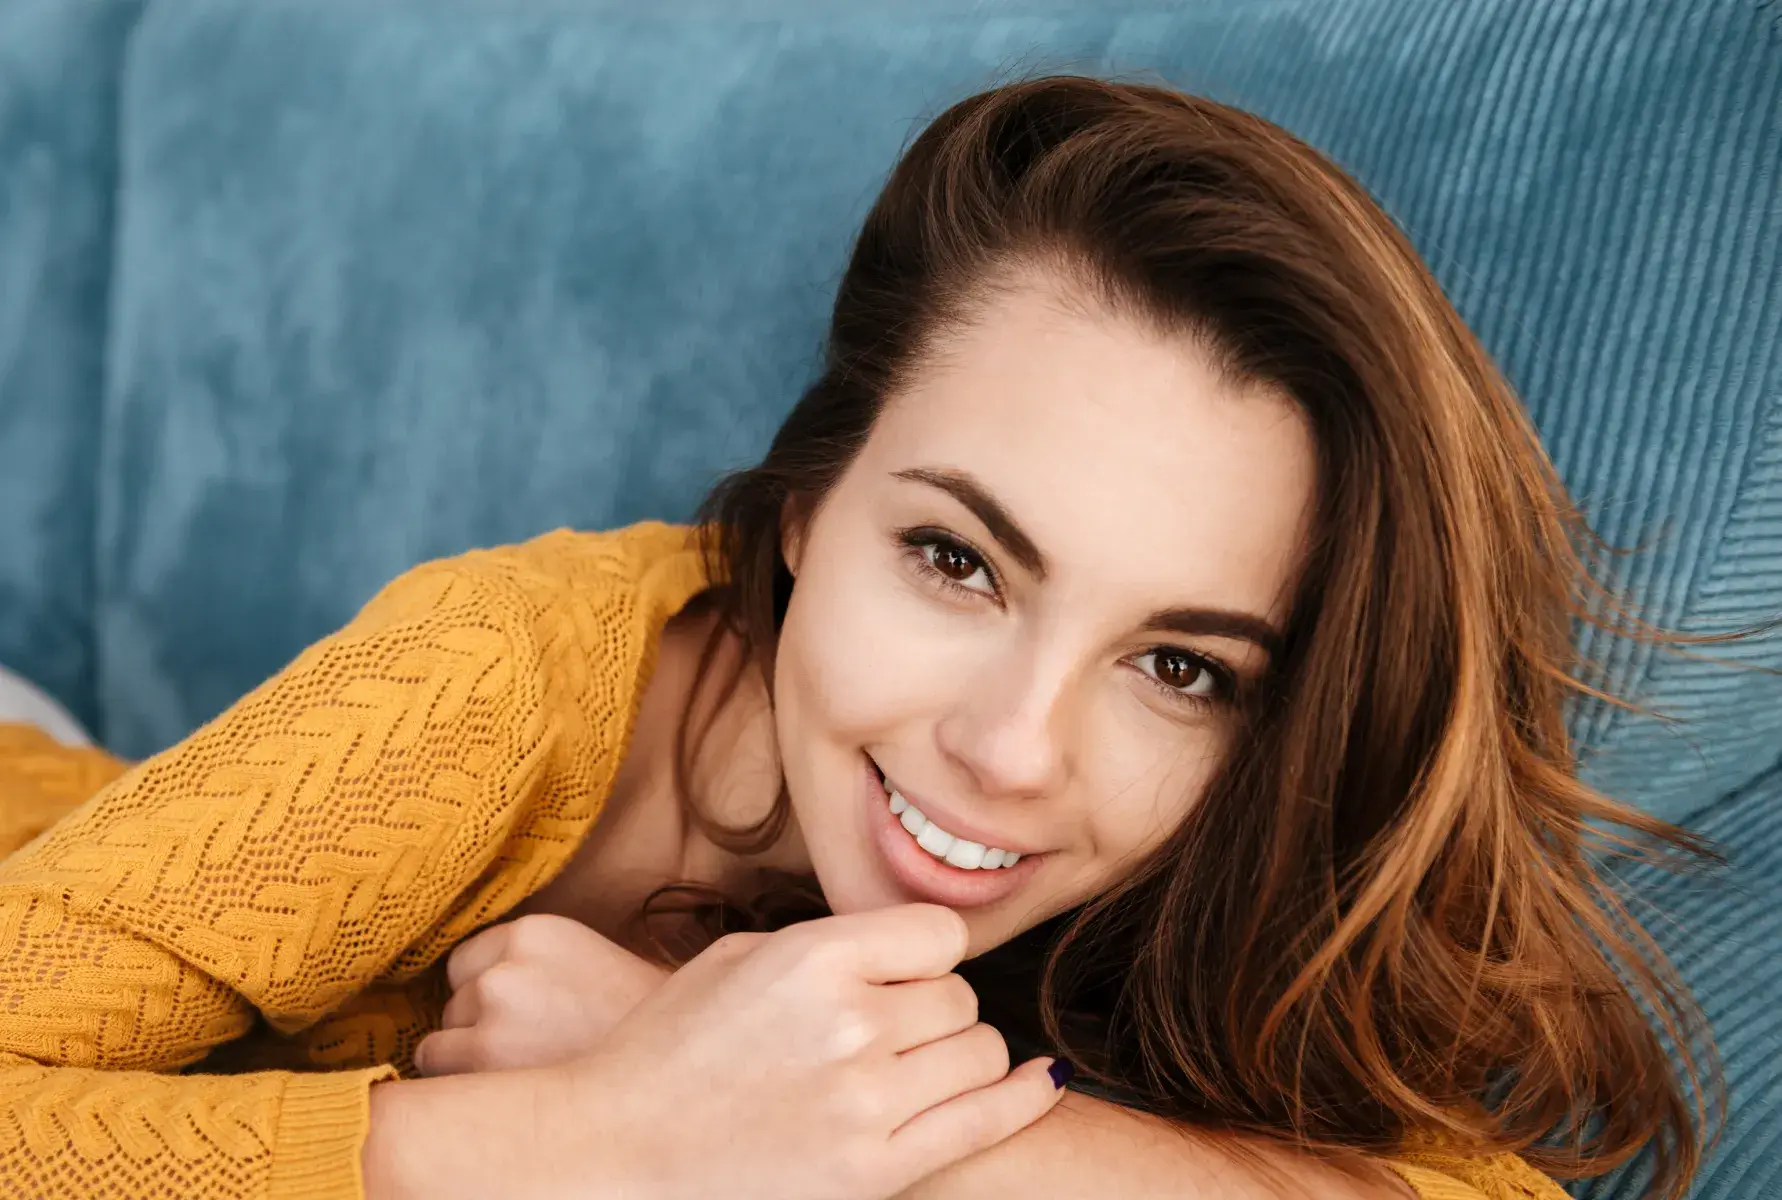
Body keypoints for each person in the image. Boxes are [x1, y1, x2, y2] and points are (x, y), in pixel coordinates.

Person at [0, 76, 1727, 1200]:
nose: (1013, 750)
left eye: (1178, 667)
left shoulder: (1229, 858)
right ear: (812, 510)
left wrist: (799, 1116)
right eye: (957, 560)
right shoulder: (496, 682)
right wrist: (569, 1146)